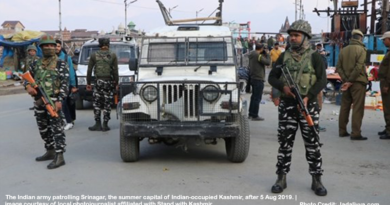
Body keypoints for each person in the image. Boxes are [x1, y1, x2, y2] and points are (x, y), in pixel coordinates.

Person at [268, 20, 327, 196]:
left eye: (296, 35)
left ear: (305, 37)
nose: (292, 38)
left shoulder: (315, 56)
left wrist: (309, 97)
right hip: (287, 106)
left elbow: (322, 80)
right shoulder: (283, 56)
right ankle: (281, 177)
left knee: (313, 143)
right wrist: (282, 87)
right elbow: (272, 77)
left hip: (308, 107)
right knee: (285, 143)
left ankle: (317, 180)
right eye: (291, 35)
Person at [25, 34, 69, 169]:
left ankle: (59, 155)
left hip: (54, 101)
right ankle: (50, 151)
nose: (49, 48)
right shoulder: (35, 63)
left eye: (52, 45)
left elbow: (64, 84)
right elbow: (27, 79)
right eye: (46, 46)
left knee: (57, 129)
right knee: (43, 129)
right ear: (41, 48)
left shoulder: (61, 63)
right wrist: (28, 87)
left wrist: (60, 100)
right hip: (39, 102)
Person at [336, 29, 368, 140]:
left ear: (352, 38)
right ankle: (356, 133)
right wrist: (350, 81)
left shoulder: (343, 50)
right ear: (361, 38)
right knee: (357, 108)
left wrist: (346, 80)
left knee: (345, 107)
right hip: (358, 82)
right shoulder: (362, 50)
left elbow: (338, 67)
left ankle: (342, 131)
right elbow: (359, 67)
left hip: (346, 83)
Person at [86, 38, 119, 131]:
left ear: (99, 45)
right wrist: (116, 82)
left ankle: (97, 123)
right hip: (109, 82)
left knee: (97, 103)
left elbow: (89, 70)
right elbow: (115, 71)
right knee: (107, 103)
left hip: (98, 82)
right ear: (108, 44)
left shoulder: (94, 55)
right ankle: (105, 124)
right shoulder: (113, 55)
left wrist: (88, 83)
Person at [55, 40, 77, 131]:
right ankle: (62, 121)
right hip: (54, 86)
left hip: (65, 84)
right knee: (59, 104)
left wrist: (73, 85)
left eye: (58, 46)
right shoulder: (49, 58)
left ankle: (69, 122)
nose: (56, 48)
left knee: (63, 103)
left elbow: (71, 71)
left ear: (61, 47)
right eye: (55, 46)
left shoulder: (66, 58)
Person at [248, 43, 270, 121]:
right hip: (258, 78)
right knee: (257, 98)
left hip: (253, 77)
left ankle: (251, 113)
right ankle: (255, 115)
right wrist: (267, 54)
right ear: (261, 49)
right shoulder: (259, 56)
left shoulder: (252, 54)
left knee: (253, 97)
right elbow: (268, 62)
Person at [378, 31, 390, 140]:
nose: (383, 41)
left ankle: (389, 131)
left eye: (384, 39)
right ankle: (387, 128)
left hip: (387, 84)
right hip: (385, 83)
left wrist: (387, 85)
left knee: (388, 108)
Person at [24, 45, 41, 110]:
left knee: (36, 91)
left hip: (35, 77)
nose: (32, 52)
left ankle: (38, 103)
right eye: (30, 51)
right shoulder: (27, 59)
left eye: (33, 51)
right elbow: (25, 68)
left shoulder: (38, 59)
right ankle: (36, 103)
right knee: (31, 91)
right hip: (28, 77)